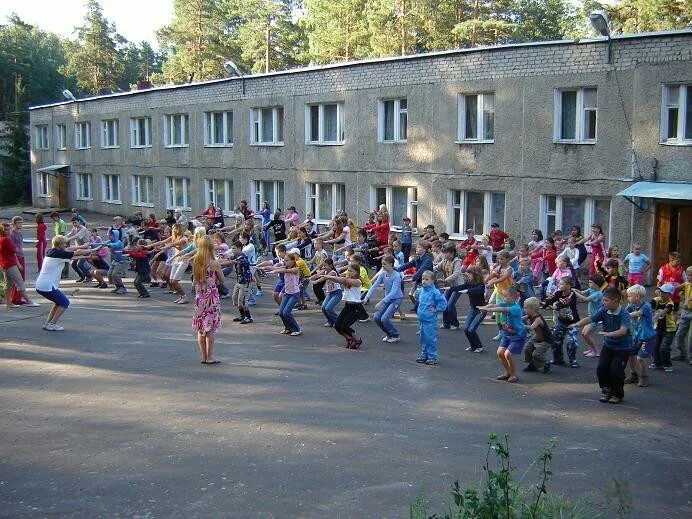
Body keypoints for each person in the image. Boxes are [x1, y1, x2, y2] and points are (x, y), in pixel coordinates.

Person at [569, 287, 632, 404]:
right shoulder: (604, 310)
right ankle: (606, 390)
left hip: (622, 348)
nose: (603, 302)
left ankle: (617, 394)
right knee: (602, 368)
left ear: (616, 300)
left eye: (606, 300)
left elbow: (623, 330)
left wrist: (610, 333)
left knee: (616, 370)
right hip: (609, 345)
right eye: (603, 300)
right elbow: (591, 319)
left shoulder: (624, 313)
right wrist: (577, 324)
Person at [35, 235, 92, 330]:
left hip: (42, 284)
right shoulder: (59, 254)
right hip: (46, 285)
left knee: (58, 303)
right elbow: (76, 253)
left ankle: (48, 323)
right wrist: (91, 250)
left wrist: (84, 248)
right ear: (60, 244)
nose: (66, 245)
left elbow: (71, 251)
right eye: (64, 243)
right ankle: (52, 324)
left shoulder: (52, 252)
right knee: (65, 302)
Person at [478, 285, 527, 383]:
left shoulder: (515, 308)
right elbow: (495, 305)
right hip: (507, 334)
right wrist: (484, 307)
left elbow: (502, 310)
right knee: (500, 353)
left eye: (506, 296)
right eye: (503, 296)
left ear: (514, 297)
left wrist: (488, 310)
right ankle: (507, 372)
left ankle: (513, 375)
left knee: (508, 354)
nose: (504, 298)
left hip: (517, 335)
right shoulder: (506, 303)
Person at [317, 263, 367, 349]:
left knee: (344, 326)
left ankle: (357, 340)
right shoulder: (347, 279)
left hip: (356, 307)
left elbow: (343, 280)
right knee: (337, 325)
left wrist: (330, 277)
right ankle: (349, 339)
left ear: (357, 272)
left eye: (351, 271)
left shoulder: (358, 281)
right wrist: (328, 277)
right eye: (348, 271)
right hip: (347, 306)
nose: (349, 272)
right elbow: (339, 280)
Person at [191, 235, 224, 364]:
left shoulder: (196, 260)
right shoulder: (214, 262)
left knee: (201, 327)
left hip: (200, 297)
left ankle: (203, 356)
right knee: (210, 328)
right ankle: (210, 357)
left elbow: (195, 279)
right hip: (211, 296)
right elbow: (222, 279)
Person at [542, 277, 580, 367]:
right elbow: (552, 300)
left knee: (572, 342)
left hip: (573, 322)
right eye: (559, 283)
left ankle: (572, 360)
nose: (559, 285)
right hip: (561, 320)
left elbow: (564, 303)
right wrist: (544, 304)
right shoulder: (559, 293)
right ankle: (558, 359)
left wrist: (554, 306)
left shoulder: (572, 294)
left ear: (568, 286)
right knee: (556, 339)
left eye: (561, 284)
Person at [0, 223, 39, 309]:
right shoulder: (6, 240)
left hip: (4, 264)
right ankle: (29, 301)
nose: (9, 231)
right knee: (19, 282)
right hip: (10, 264)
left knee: (9, 284)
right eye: (6, 230)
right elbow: (15, 250)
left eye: (9, 229)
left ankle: (8, 303)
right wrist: (18, 262)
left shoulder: (1, 239)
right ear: (3, 231)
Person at [364, 256, 403, 343]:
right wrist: (367, 297)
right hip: (388, 299)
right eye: (382, 264)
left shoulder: (396, 276)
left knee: (384, 319)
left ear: (391, 265)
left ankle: (395, 335)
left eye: (385, 264)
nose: (383, 266)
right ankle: (389, 334)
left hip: (396, 299)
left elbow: (393, 292)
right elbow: (374, 285)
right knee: (377, 317)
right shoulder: (382, 274)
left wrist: (381, 302)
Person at [625, 284, 656, 387]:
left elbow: (637, 314)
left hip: (647, 338)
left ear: (637, 296)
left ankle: (644, 377)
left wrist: (624, 315)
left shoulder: (646, 306)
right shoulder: (631, 306)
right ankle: (633, 375)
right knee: (630, 354)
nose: (628, 298)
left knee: (640, 358)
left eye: (630, 296)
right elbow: (625, 311)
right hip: (637, 336)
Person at [414, 271, 447, 365]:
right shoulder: (422, 290)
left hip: (430, 319)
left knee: (430, 338)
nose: (424, 281)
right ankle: (424, 354)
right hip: (422, 318)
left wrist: (436, 309)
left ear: (432, 281)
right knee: (423, 338)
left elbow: (443, 302)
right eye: (423, 279)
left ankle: (432, 356)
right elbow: (418, 298)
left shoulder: (435, 292)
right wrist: (416, 293)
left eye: (426, 279)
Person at [572, 274, 606, 357]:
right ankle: (591, 349)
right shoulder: (591, 289)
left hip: (595, 318)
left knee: (586, 334)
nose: (589, 284)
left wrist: (574, 293)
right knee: (584, 333)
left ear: (597, 284)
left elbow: (585, 299)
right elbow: (582, 292)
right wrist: (574, 290)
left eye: (591, 282)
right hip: (590, 317)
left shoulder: (598, 294)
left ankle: (596, 351)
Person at [271, 252, 303, 336]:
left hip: (295, 294)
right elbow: (272, 267)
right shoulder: (285, 267)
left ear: (293, 261)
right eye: (284, 260)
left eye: (287, 260)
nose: (285, 262)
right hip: (287, 293)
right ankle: (288, 328)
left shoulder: (296, 269)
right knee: (281, 313)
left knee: (286, 313)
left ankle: (297, 329)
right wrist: (260, 267)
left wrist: (275, 270)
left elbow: (286, 270)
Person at [223, 241, 254, 324]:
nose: (232, 250)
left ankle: (248, 317)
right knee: (235, 299)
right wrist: (221, 258)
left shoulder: (242, 257)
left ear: (239, 249)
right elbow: (228, 258)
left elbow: (231, 262)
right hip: (239, 281)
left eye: (234, 248)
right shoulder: (236, 256)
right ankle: (242, 315)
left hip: (245, 282)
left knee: (243, 301)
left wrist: (217, 264)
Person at [650, 283, 677, 373]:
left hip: (669, 329)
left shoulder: (670, 303)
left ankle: (667, 364)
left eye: (664, 292)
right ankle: (657, 363)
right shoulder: (657, 300)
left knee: (664, 348)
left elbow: (666, 310)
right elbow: (650, 305)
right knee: (655, 346)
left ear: (669, 294)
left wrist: (659, 313)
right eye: (661, 291)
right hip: (658, 328)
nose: (661, 293)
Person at [522, 297, 553, 373]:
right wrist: (514, 319)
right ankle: (532, 364)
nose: (524, 309)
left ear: (533, 309)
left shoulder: (538, 319)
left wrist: (521, 325)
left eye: (526, 308)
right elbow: (522, 318)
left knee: (537, 354)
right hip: (538, 336)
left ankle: (546, 363)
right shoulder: (530, 315)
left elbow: (531, 327)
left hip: (546, 339)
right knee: (527, 348)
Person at [672, 266, 692, 364]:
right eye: (688, 275)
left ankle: (691, 356)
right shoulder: (687, 284)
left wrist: (687, 299)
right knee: (679, 334)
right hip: (685, 312)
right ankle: (682, 353)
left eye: (691, 275)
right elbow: (675, 288)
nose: (688, 277)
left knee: (691, 337)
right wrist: (665, 289)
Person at [9, 216, 27, 305]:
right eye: (18, 223)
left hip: (21, 256)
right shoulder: (11, 234)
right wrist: (17, 262)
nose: (20, 224)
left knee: (22, 278)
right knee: (17, 279)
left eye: (21, 223)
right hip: (16, 258)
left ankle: (18, 297)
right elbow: (12, 250)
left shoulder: (20, 233)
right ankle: (14, 298)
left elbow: (20, 245)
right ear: (14, 224)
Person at [50, 212, 69, 279]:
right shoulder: (57, 223)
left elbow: (62, 234)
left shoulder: (62, 223)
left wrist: (61, 244)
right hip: (58, 243)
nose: (53, 220)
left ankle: (65, 273)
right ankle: (60, 272)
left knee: (65, 258)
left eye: (53, 218)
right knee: (59, 258)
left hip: (62, 242)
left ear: (56, 217)